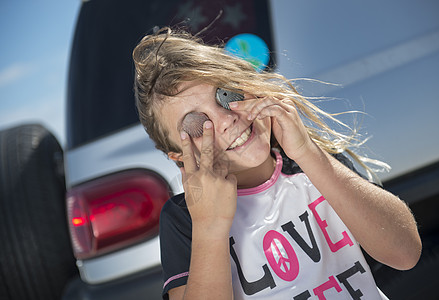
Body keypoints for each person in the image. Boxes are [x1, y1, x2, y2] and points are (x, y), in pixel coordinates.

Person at [133, 27, 421, 300]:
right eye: (197, 125)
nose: (226, 119)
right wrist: (210, 226)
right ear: (180, 157)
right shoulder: (185, 219)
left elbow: (406, 253)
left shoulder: (315, 165)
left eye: (227, 94)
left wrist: (308, 153)